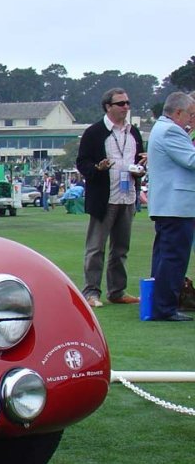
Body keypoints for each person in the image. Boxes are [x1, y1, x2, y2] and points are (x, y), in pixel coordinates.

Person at [76, 88, 146, 308]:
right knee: (96, 247)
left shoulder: (133, 132)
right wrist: (97, 168)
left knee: (121, 248)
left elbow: (138, 160)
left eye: (127, 103)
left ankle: (117, 290)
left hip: (127, 196)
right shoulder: (94, 132)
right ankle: (91, 292)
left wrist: (141, 169)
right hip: (104, 198)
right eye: (121, 103)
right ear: (108, 106)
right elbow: (82, 162)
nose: (126, 107)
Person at [146, 91, 195, 321]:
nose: (191, 120)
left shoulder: (162, 128)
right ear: (178, 112)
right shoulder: (171, 131)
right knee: (174, 257)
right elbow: (191, 160)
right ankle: (165, 307)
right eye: (190, 114)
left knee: (165, 256)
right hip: (176, 206)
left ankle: (160, 303)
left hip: (169, 205)